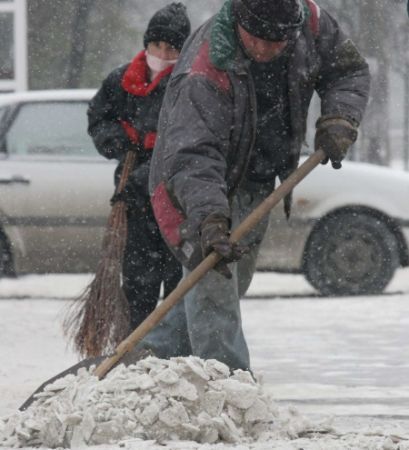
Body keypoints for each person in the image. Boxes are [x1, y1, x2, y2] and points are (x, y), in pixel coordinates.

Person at [143, 0, 370, 372]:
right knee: (215, 283)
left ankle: (154, 357)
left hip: (261, 179)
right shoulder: (204, 68)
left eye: (277, 41)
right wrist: (210, 219)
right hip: (197, 184)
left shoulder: (311, 25)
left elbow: (348, 71)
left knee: (224, 287)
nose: (266, 49)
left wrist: (339, 117)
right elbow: (194, 156)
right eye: (257, 39)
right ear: (238, 22)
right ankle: (229, 385)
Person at [87, 3, 191, 330]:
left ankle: (173, 352)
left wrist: (151, 159)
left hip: (176, 199)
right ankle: (135, 345)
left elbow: (186, 144)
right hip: (132, 199)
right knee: (137, 282)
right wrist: (122, 141)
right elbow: (99, 118)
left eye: (172, 47)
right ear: (147, 43)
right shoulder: (121, 80)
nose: (163, 53)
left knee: (178, 283)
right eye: (157, 45)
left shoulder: (189, 83)